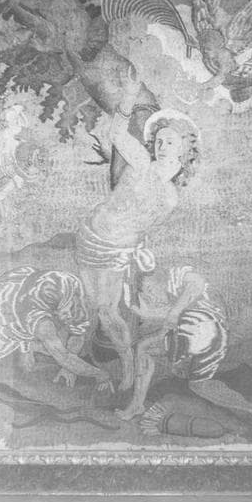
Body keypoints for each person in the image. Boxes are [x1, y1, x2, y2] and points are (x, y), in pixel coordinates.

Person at [76, 74, 200, 391]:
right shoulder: (141, 160)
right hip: (89, 234)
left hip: (113, 249)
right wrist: (129, 96)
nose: (162, 146)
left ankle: (128, 367)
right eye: (159, 141)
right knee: (96, 308)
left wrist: (135, 251)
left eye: (170, 142)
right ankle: (98, 357)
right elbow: (117, 133)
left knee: (107, 310)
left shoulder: (169, 197)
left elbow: (142, 227)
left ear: (185, 148)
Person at [115, 264, 252, 427]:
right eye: (146, 293)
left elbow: (197, 283)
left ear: (159, 279)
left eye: (150, 289)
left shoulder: (174, 278)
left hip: (203, 325)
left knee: (144, 348)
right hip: (209, 340)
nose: (151, 296)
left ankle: (137, 404)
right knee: (199, 385)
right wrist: (150, 314)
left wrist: (174, 312)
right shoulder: (157, 303)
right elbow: (161, 319)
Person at [0, 266, 113, 391]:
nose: (67, 316)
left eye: (67, 308)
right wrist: (100, 374)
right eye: (61, 313)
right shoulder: (41, 322)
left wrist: (68, 369)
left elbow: (78, 331)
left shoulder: (67, 287)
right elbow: (64, 357)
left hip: (18, 321)